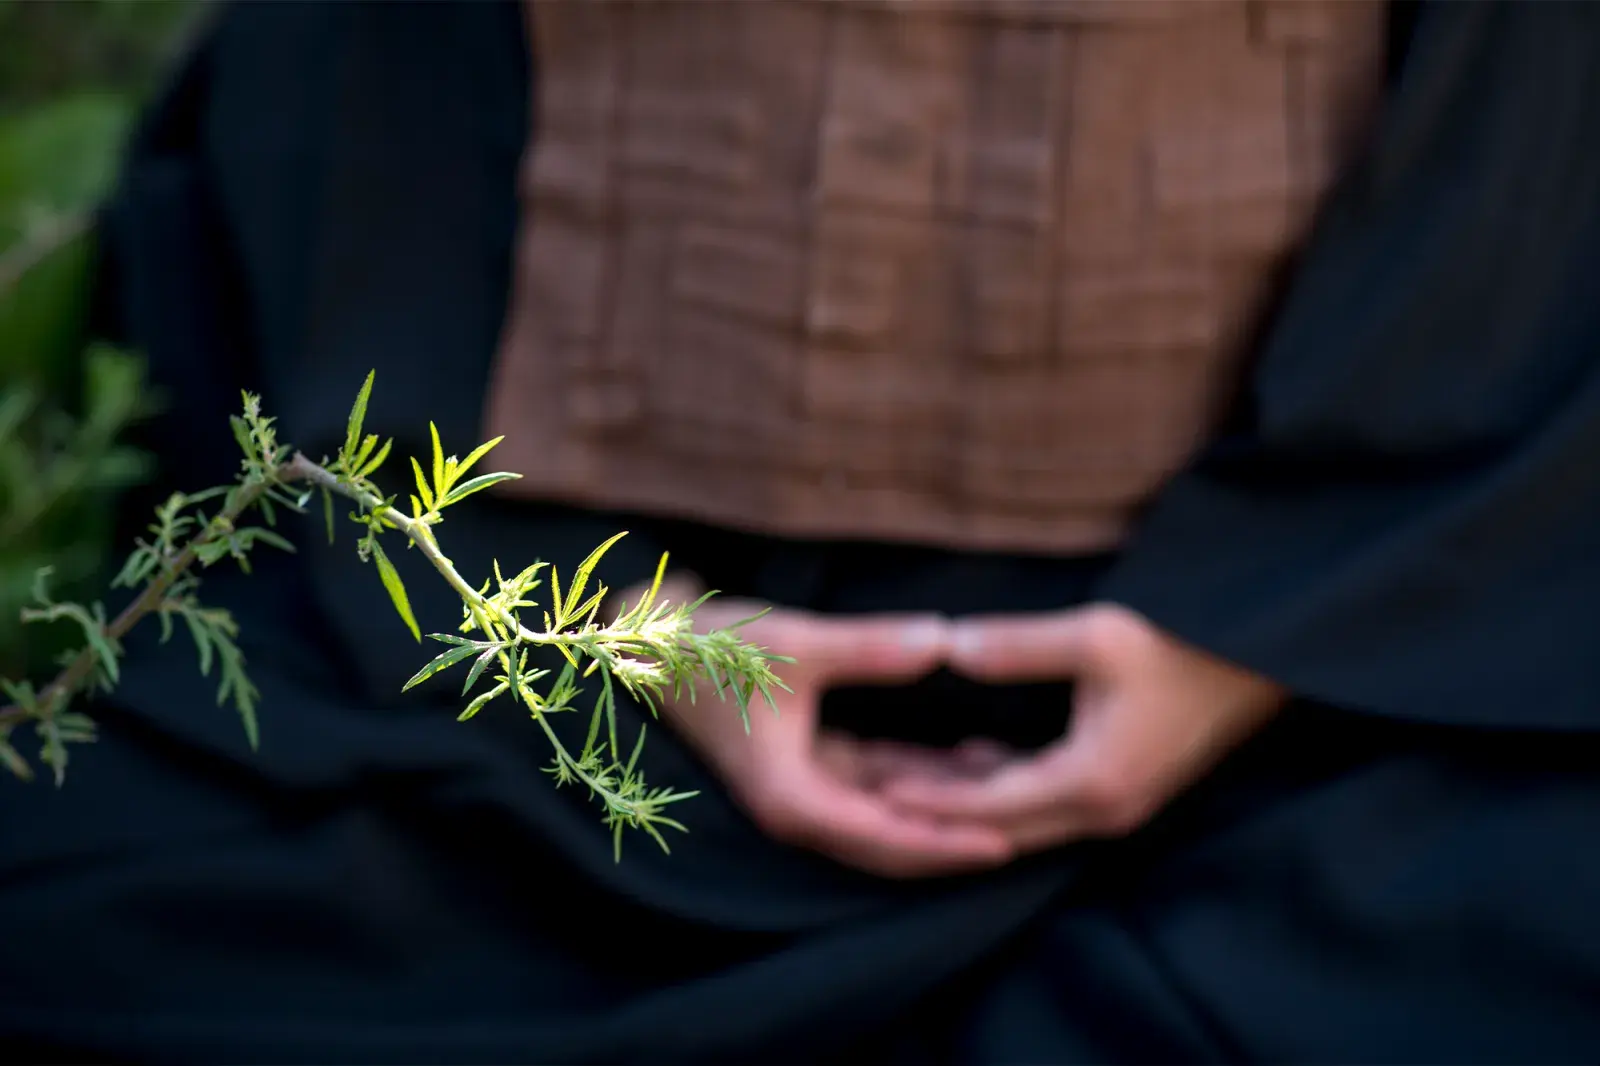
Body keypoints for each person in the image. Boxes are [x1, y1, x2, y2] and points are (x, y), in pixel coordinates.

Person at [3, 0, 1599, 1061]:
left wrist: (1257, 626)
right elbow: (367, 106)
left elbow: (1537, 112)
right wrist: (624, 617)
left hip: (1327, 671)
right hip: (579, 687)